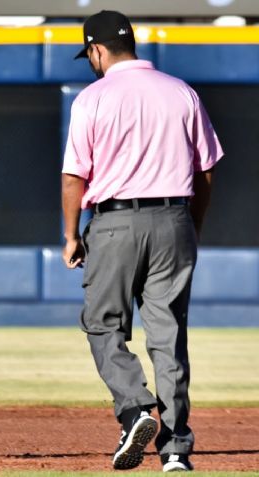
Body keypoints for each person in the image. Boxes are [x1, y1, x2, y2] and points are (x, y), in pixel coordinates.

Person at [61, 10, 223, 473]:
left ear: (96, 50)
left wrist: (71, 235)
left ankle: (134, 409)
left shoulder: (93, 98)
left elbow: (74, 176)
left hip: (114, 222)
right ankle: (175, 451)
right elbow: (206, 170)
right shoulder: (181, 91)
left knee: (103, 325)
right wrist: (192, 223)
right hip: (174, 220)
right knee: (168, 336)